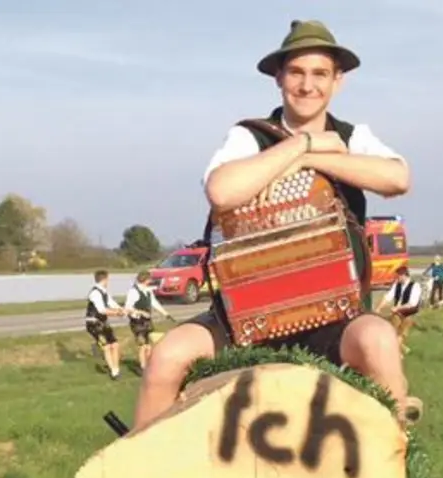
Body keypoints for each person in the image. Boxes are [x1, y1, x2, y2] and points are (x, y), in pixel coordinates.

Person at [131, 20, 418, 430]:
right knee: (166, 357)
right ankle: (138, 476)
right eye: (296, 72)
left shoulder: (354, 136)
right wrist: (300, 145)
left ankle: (394, 469)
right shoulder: (248, 138)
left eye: (320, 73)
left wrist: (310, 159)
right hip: (246, 317)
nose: (307, 85)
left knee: (379, 341)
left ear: (338, 81)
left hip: (334, 316)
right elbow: (222, 191)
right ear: (279, 78)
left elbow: (397, 178)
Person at [123, 271, 170, 371]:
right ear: (146, 280)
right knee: (142, 345)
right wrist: (140, 312)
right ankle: (143, 367)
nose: (150, 281)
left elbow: (154, 303)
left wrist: (165, 313)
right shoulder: (133, 291)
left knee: (148, 345)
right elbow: (127, 308)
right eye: (149, 279)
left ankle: (149, 365)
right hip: (137, 321)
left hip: (147, 321)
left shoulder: (148, 291)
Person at [84, 269, 126, 380]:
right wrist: (116, 313)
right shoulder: (95, 293)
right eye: (108, 279)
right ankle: (114, 372)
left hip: (103, 322)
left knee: (115, 345)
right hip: (93, 323)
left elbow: (111, 302)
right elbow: (102, 310)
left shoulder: (104, 292)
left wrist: (122, 309)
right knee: (107, 347)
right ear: (105, 279)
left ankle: (116, 368)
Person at [386, 264, 422, 351]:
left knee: (402, 333)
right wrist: (379, 308)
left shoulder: (415, 286)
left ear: (404, 275)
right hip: (398, 312)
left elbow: (412, 303)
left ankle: (398, 352)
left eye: (398, 276)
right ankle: (399, 350)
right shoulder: (397, 285)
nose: (397, 278)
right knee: (392, 331)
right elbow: (388, 297)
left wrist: (397, 308)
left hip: (409, 312)